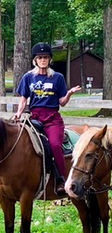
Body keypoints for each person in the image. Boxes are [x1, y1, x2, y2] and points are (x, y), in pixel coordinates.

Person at [15, 42, 81, 196]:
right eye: (40, 57)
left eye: (45, 57)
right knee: (21, 144)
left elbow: (62, 102)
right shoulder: (28, 77)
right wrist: (18, 113)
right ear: (35, 60)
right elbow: (24, 98)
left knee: (55, 145)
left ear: (50, 59)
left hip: (52, 118)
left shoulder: (57, 78)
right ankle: (25, 177)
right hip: (35, 117)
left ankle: (60, 179)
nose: (43, 60)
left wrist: (69, 93)